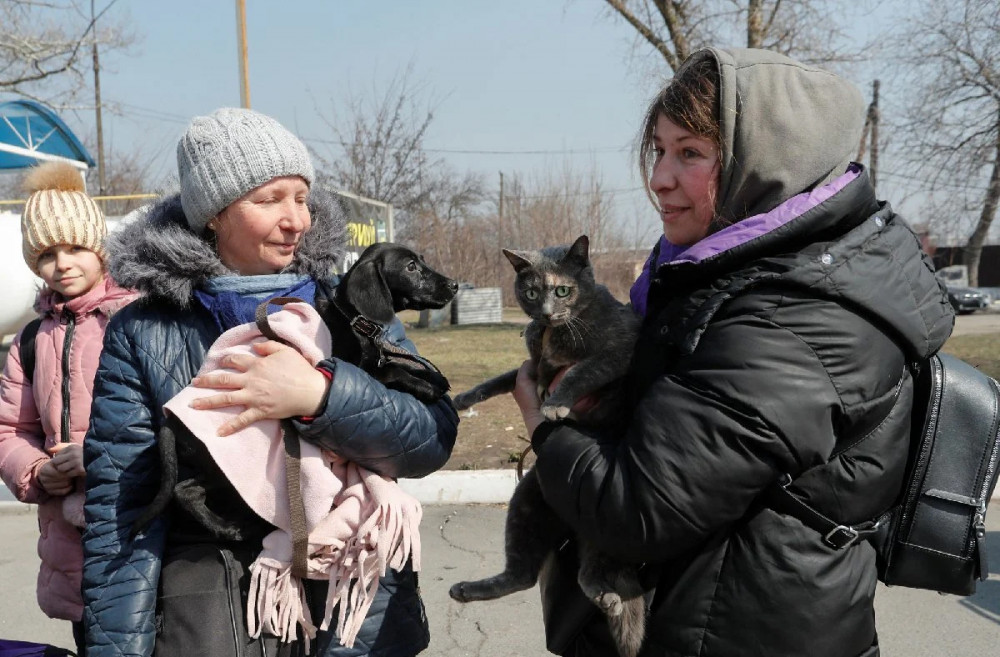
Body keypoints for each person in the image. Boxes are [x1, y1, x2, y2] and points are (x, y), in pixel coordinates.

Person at [513, 48, 955, 657]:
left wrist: (543, 424)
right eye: (659, 151)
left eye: (690, 152)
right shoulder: (733, 274)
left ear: (770, 162)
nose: (660, 177)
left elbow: (636, 510)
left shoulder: (793, 319)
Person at [80, 108, 458, 657]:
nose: (296, 220)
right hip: (211, 605)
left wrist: (321, 397)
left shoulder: (349, 308)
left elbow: (430, 438)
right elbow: (122, 511)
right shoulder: (144, 330)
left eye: (301, 197)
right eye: (269, 199)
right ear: (213, 214)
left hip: (353, 599)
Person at [0, 161, 137, 656]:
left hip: (140, 536)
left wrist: (97, 455)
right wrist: (36, 471)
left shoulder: (138, 320)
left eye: (76, 247)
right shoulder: (32, 339)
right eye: (47, 254)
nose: (63, 263)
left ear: (99, 247)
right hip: (70, 545)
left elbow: (172, 416)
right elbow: (11, 427)